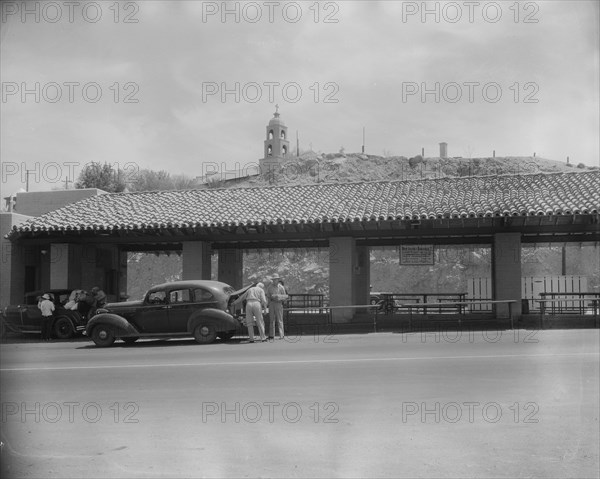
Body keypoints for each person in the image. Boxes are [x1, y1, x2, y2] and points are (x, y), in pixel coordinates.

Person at [266, 274, 288, 340]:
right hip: (272, 304)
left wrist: (279, 297)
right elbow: (268, 296)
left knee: (280, 319)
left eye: (276, 279)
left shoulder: (281, 287)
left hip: (279, 303)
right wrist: (271, 299)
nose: (275, 281)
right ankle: (271, 335)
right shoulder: (269, 287)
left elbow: (285, 296)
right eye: (273, 279)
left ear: (278, 280)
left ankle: (281, 335)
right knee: (271, 319)